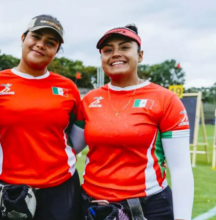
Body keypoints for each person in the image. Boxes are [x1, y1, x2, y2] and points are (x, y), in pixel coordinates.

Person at [71, 24, 194, 220]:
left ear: (140, 55)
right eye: (108, 50)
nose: (115, 54)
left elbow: (180, 169)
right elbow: (69, 149)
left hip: (147, 209)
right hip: (91, 206)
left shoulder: (166, 100)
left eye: (124, 47)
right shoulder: (89, 100)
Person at [0, 14, 82, 220]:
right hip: (8, 189)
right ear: (23, 38)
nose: (41, 45)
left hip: (61, 189)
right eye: (36, 37)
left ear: (56, 51)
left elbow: (75, 136)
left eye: (50, 43)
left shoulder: (68, 88)